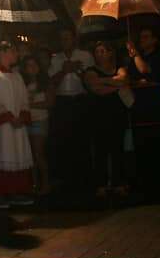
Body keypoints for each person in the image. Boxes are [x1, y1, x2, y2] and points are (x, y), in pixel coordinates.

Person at [0, 42, 35, 208]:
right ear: (3, 52)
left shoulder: (17, 75)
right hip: (1, 126)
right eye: (13, 51)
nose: (16, 54)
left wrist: (22, 116)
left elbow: (24, 98)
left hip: (17, 124)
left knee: (17, 155)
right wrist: (9, 117)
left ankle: (16, 192)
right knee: (1, 154)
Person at [48, 28, 94, 191]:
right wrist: (64, 70)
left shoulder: (85, 56)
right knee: (64, 139)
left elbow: (92, 80)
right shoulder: (56, 58)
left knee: (82, 138)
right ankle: (67, 178)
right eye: (62, 38)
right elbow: (51, 82)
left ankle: (85, 177)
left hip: (80, 101)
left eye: (67, 38)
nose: (65, 41)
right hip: (62, 103)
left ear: (74, 39)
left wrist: (78, 70)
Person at [126, 27, 160, 197]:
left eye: (146, 37)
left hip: (153, 105)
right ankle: (143, 182)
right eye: (141, 37)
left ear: (154, 40)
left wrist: (136, 55)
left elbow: (145, 70)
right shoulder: (135, 58)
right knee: (139, 143)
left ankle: (159, 182)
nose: (142, 40)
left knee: (154, 141)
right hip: (138, 104)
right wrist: (137, 82)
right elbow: (131, 79)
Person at [83, 41, 130, 196]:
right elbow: (96, 88)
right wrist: (116, 85)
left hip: (117, 114)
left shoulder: (120, 68)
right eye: (97, 51)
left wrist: (103, 81)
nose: (100, 54)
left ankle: (119, 182)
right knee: (100, 149)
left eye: (103, 51)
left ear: (110, 53)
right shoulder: (90, 70)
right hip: (98, 115)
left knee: (118, 149)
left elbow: (122, 80)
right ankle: (101, 184)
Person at [20, 55, 54, 195]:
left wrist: (29, 105)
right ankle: (33, 184)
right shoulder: (22, 83)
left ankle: (46, 184)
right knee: (30, 155)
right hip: (26, 121)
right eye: (29, 65)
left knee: (38, 153)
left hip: (40, 121)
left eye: (34, 64)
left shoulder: (46, 83)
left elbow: (50, 103)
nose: (32, 68)